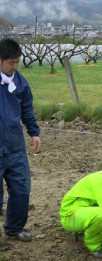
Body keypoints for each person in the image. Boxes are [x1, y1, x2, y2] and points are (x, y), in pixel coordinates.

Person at [0, 38, 41, 241]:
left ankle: (14, 228)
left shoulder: (20, 82)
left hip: (15, 147)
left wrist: (34, 132)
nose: (14, 66)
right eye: (10, 62)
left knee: (21, 188)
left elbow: (27, 109)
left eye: (17, 62)